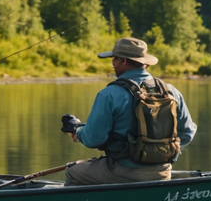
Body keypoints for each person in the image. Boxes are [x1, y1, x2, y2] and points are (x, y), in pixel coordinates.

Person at [65, 37, 196, 186]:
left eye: (114, 59)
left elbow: (93, 139)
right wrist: (158, 153)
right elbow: (187, 134)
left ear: (123, 61)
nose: (112, 64)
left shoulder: (109, 94)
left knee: (73, 171)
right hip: (163, 171)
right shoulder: (171, 91)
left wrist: (79, 133)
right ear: (144, 62)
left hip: (123, 171)